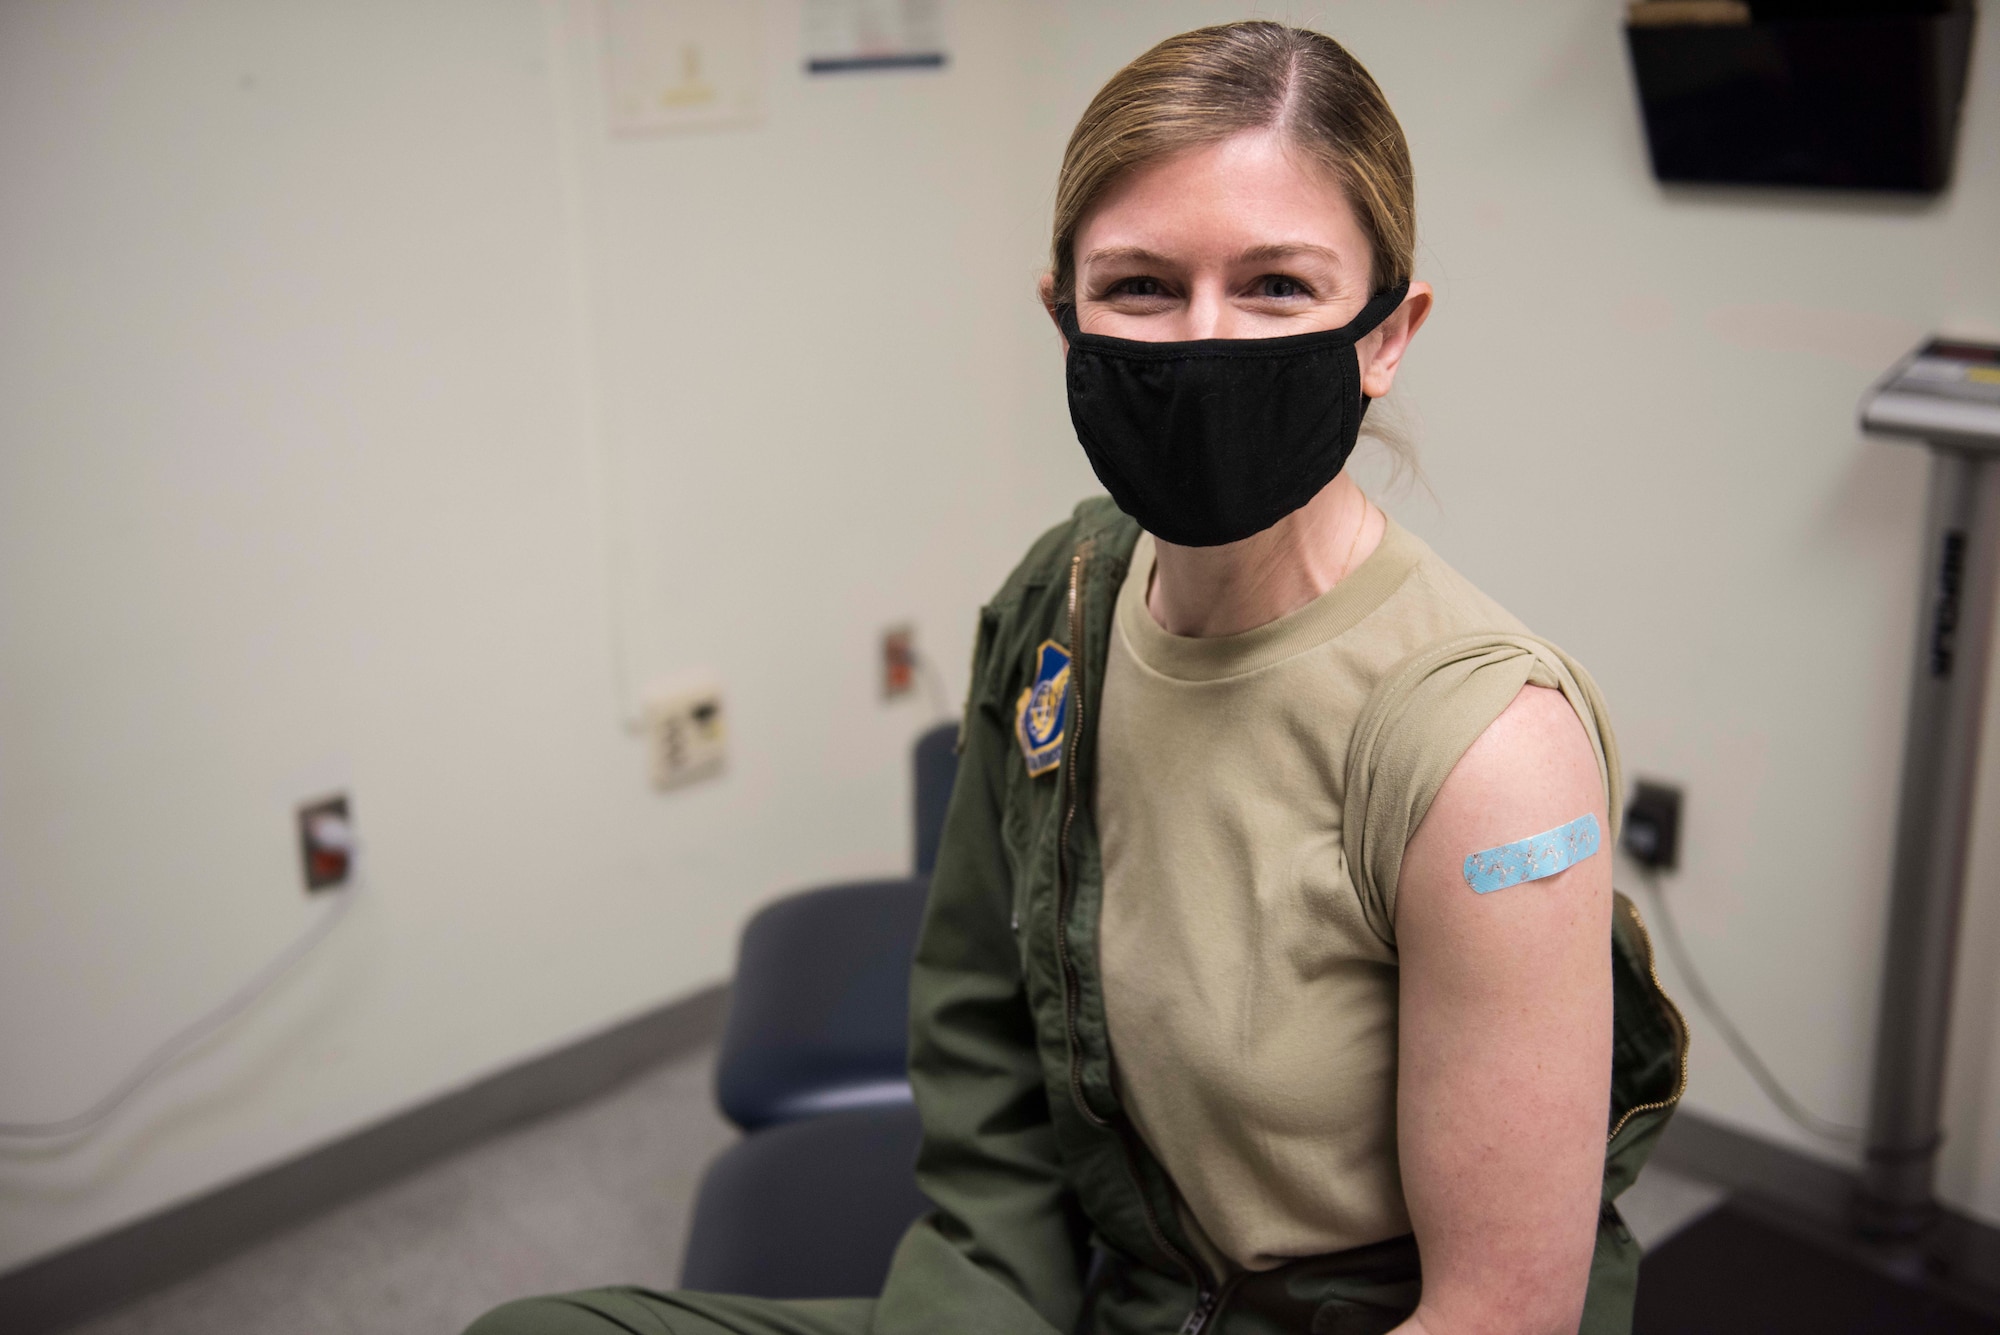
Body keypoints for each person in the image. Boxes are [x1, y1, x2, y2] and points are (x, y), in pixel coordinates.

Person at [468, 20, 1686, 1335]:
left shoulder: (1489, 756)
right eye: (1143, 288)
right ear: (1065, 317)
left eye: (1277, 286)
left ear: (1388, 334)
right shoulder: (1067, 604)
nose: (1203, 344)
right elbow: (987, 1055)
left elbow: (1502, 1318)